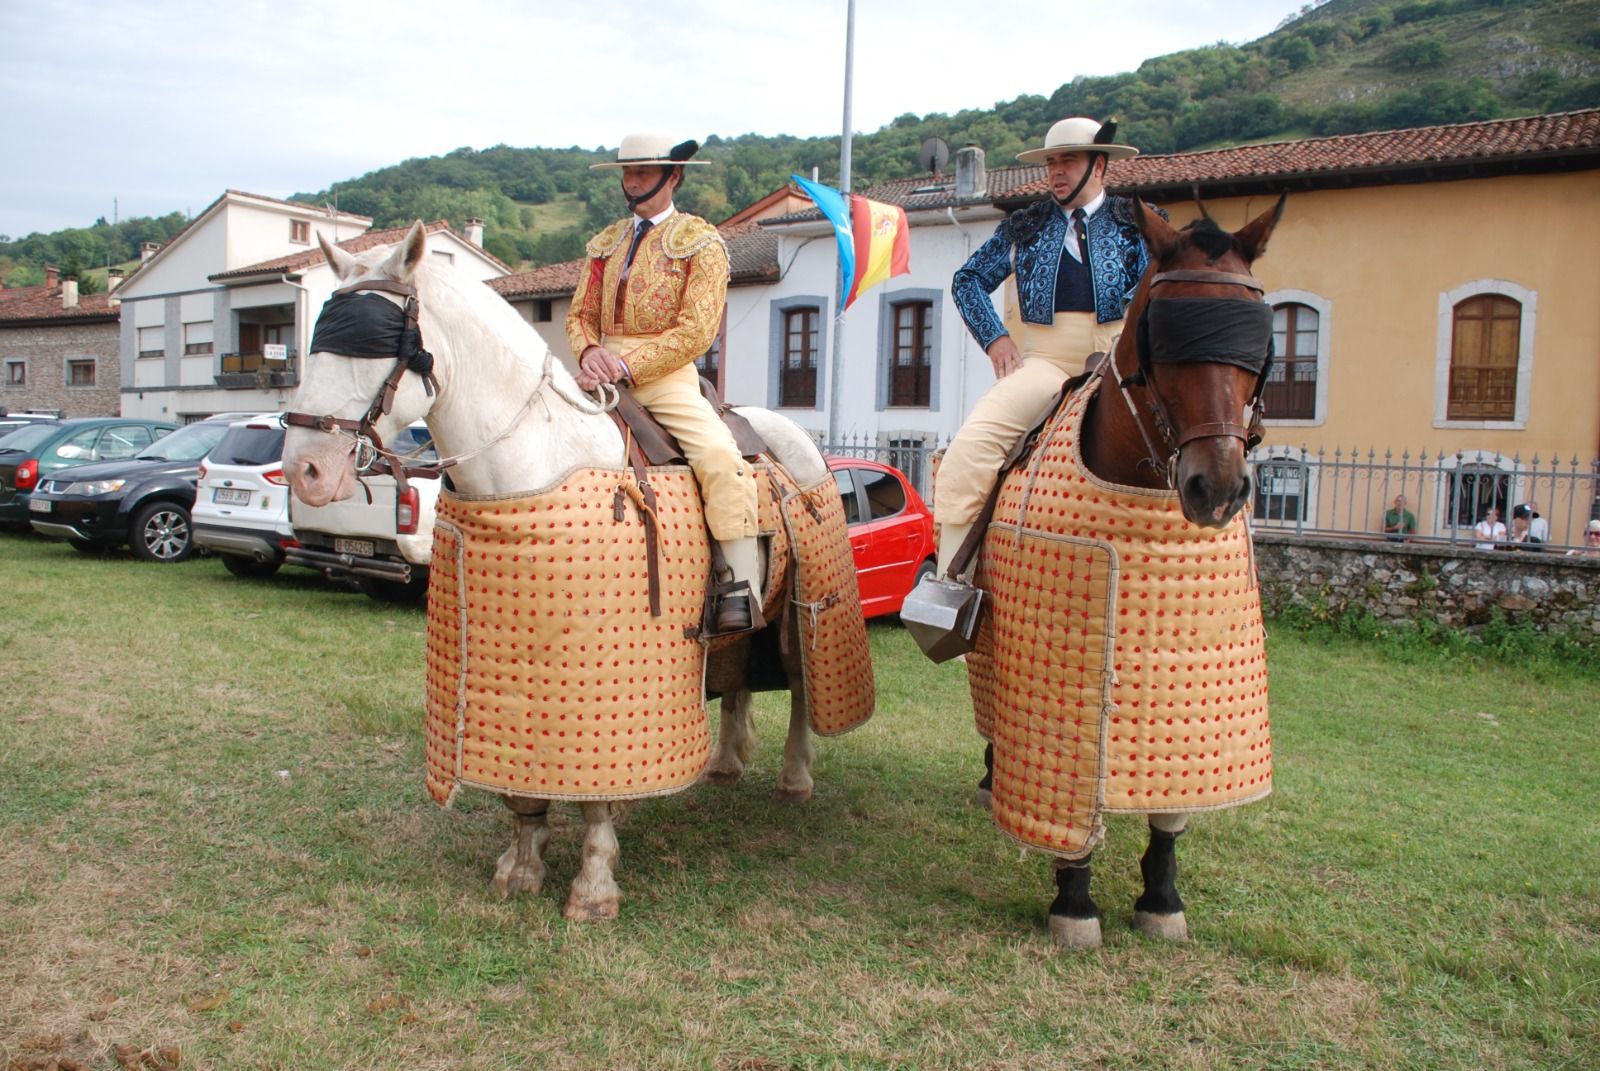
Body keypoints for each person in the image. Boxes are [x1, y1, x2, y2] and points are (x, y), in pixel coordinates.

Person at [936, 117, 1152, 574]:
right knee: (970, 449)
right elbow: (968, 280)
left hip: (1123, 359)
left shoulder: (1139, 222)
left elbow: (1157, 282)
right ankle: (951, 584)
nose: (1055, 171)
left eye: (1067, 160)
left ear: (1099, 165)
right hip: (1048, 362)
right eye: (1051, 162)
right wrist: (995, 338)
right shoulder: (1026, 226)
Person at [568, 132, 760, 636]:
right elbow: (580, 314)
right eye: (627, 172)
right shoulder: (603, 243)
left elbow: (697, 329)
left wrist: (628, 367)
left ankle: (739, 587)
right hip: (597, 370)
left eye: (644, 172)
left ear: (673, 176)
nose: (632, 181)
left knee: (720, 458)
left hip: (664, 378)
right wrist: (590, 351)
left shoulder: (701, 241)